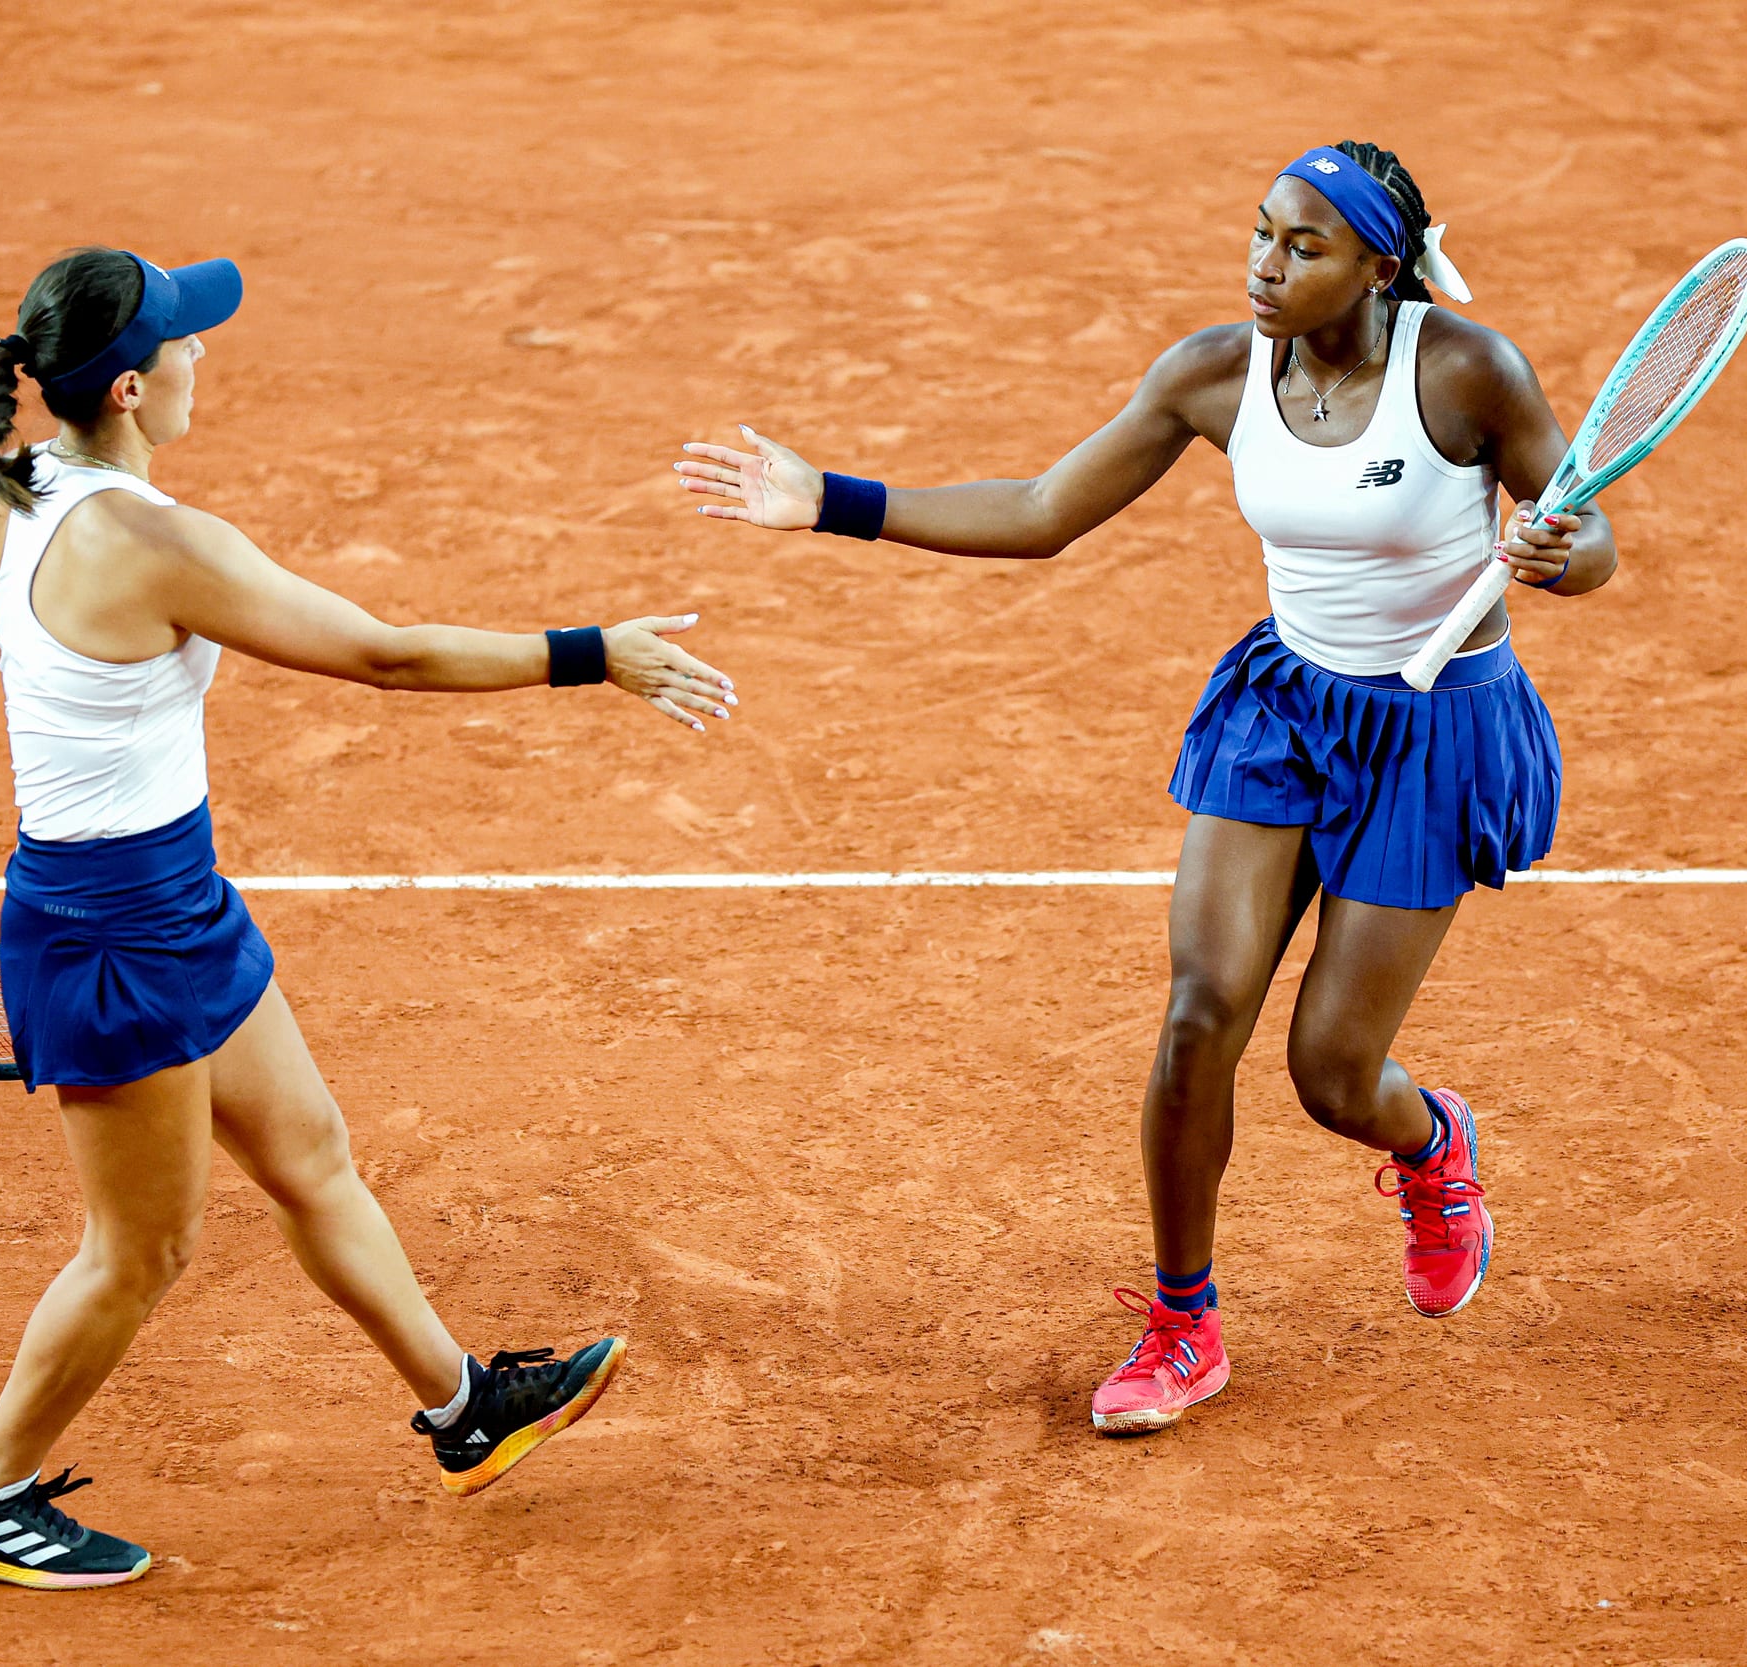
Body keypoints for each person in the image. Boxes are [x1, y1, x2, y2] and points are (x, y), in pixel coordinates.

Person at [0, 246, 738, 1587]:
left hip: (171, 901)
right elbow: (385, 654)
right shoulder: (155, 543)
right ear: (131, 386)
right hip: (113, 937)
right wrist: (594, 654)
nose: (205, 354)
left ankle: (463, 1409)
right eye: (184, 341)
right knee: (142, 1251)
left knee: (309, 1151)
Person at [674, 142, 1610, 1435]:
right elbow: (1047, 508)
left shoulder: (1465, 372)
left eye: (1305, 248)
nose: (1266, 267)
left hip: (1438, 731)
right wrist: (829, 501)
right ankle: (1184, 1324)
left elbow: (1591, 532)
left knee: (1332, 1076)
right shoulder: (1216, 373)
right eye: (1262, 234)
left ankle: (1428, 1143)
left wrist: (1562, 555)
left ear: (1379, 267)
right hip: (1286, 710)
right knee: (1195, 1016)